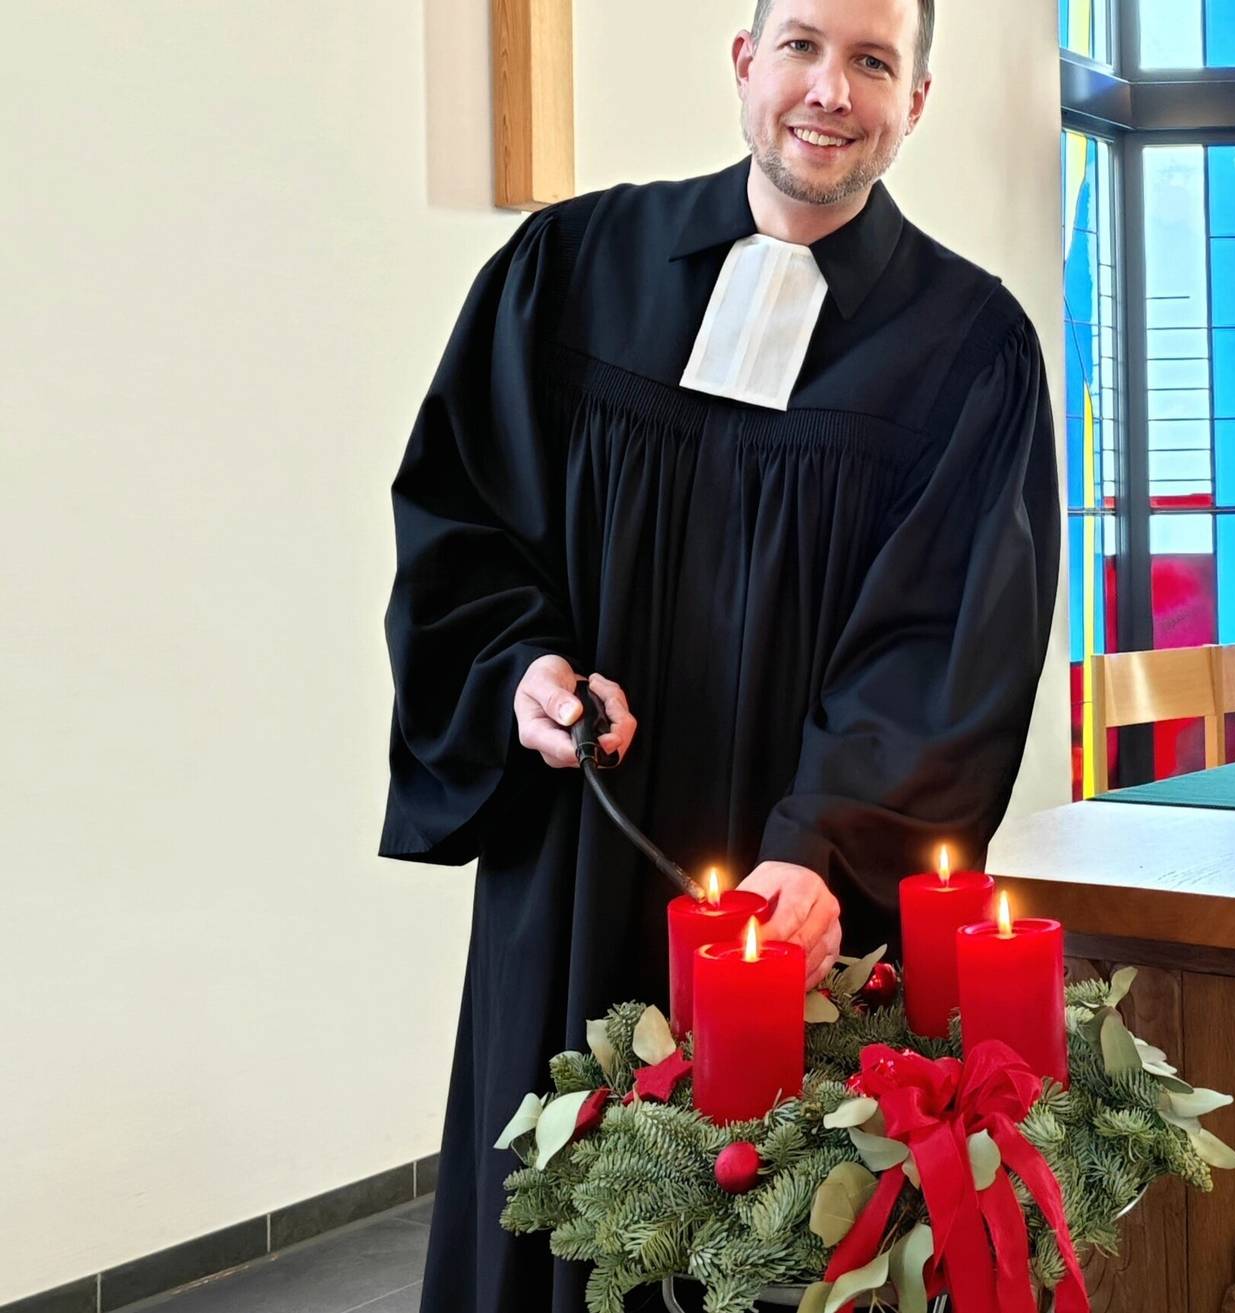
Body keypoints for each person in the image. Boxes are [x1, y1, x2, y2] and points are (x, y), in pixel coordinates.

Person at [379, 0, 1059, 1306]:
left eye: (873, 62)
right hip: (578, 867)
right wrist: (520, 669)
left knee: (776, 1243)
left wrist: (821, 843)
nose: (830, 91)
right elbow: (463, 515)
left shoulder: (968, 352)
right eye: (802, 45)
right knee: (550, 1233)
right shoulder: (568, 268)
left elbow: (947, 643)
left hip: (794, 910)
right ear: (745, 61)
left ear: (916, 102)